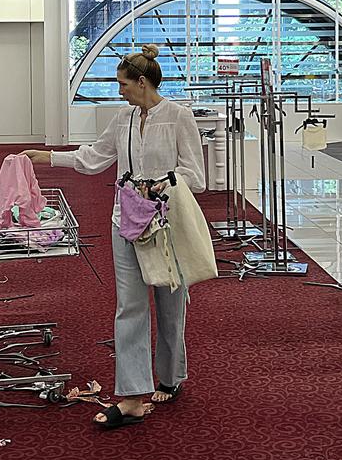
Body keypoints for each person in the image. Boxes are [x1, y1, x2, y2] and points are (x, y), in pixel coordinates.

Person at [22, 44, 206, 429]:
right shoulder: (122, 118)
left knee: (171, 305)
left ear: (142, 82)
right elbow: (94, 157)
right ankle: (133, 395)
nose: (119, 90)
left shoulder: (178, 117)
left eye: (123, 83)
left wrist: (162, 184)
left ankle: (171, 378)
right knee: (129, 306)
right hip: (124, 218)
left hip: (166, 220)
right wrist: (49, 157)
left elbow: (196, 176)